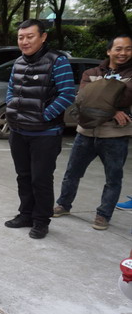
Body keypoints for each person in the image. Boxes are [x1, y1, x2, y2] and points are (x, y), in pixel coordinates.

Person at [4, 19, 75, 239]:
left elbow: (67, 94)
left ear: (43, 37)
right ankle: (25, 214)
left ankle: (41, 221)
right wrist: (11, 108)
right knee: (23, 176)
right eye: (21, 37)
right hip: (18, 131)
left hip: (45, 133)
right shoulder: (18, 62)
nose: (24, 41)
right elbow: (11, 90)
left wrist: (44, 115)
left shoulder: (57, 61)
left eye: (30, 36)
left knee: (41, 179)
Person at [53, 35, 132, 230]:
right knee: (72, 173)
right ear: (109, 51)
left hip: (115, 135)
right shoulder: (91, 72)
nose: (123, 53)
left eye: (128, 49)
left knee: (113, 179)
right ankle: (64, 204)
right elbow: (84, 100)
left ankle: (103, 215)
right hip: (85, 133)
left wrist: (101, 99)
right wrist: (113, 111)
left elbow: (124, 98)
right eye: (118, 48)